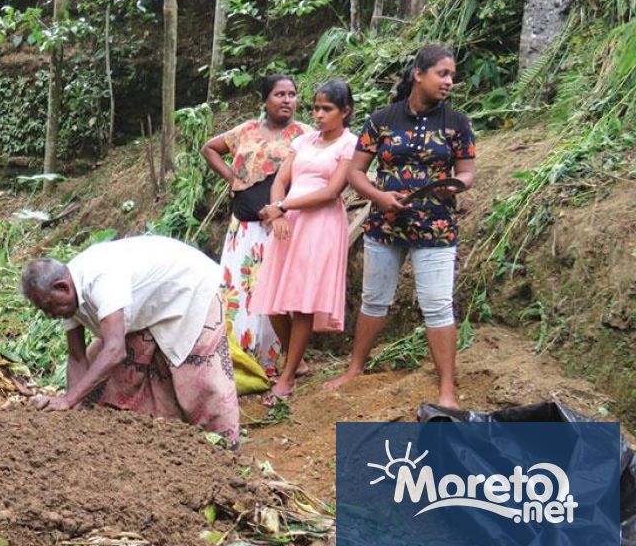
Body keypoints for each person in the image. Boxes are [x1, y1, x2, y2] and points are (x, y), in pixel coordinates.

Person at [324, 46, 476, 408]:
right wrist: (379, 197)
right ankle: (355, 369)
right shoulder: (381, 119)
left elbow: (467, 171)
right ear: (418, 74)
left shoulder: (457, 123)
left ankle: (446, 391)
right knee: (374, 300)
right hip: (385, 223)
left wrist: (457, 184)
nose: (449, 82)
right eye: (442, 74)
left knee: (438, 305)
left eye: (452, 75)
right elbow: (356, 172)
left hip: (435, 227)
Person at [22, 235, 241, 443]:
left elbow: (115, 350)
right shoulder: (66, 296)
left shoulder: (99, 279)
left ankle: (224, 449)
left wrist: (67, 400)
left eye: (50, 306)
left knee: (201, 382)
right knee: (112, 375)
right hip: (149, 305)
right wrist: (72, 408)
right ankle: (160, 435)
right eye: (44, 310)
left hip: (189, 289)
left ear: (62, 286)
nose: (50, 315)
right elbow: (77, 357)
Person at [249, 80, 359, 404]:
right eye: (316, 108)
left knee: (301, 300)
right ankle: (295, 362)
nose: (319, 115)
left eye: (328, 109)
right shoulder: (304, 139)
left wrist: (282, 207)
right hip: (289, 221)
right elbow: (281, 180)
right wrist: (279, 215)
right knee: (272, 297)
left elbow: (331, 192)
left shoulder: (349, 144)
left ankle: (287, 377)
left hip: (320, 223)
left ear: (345, 112)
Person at [201, 74, 312, 381]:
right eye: (279, 94)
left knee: (275, 293)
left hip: (279, 227)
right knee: (238, 291)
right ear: (265, 100)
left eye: (292, 94)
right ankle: (241, 356)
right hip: (243, 229)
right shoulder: (246, 131)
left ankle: (285, 358)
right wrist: (231, 177)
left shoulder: (304, 136)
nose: (287, 100)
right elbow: (209, 148)